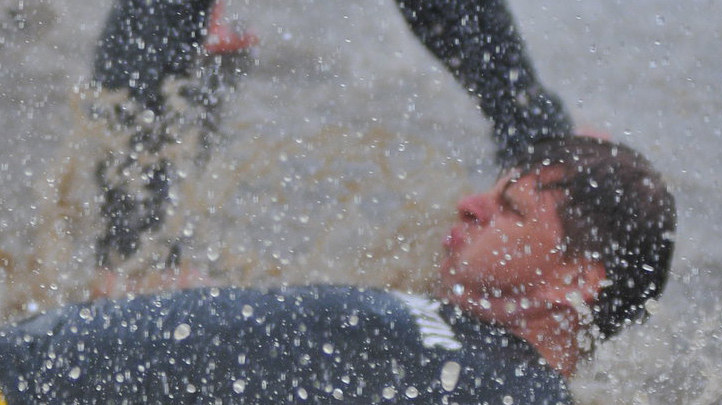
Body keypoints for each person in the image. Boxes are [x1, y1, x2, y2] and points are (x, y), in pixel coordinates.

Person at [0, 1, 676, 403]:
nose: (467, 203)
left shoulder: (516, 387)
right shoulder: (459, 337)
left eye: (512, 210)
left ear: (579, 278)